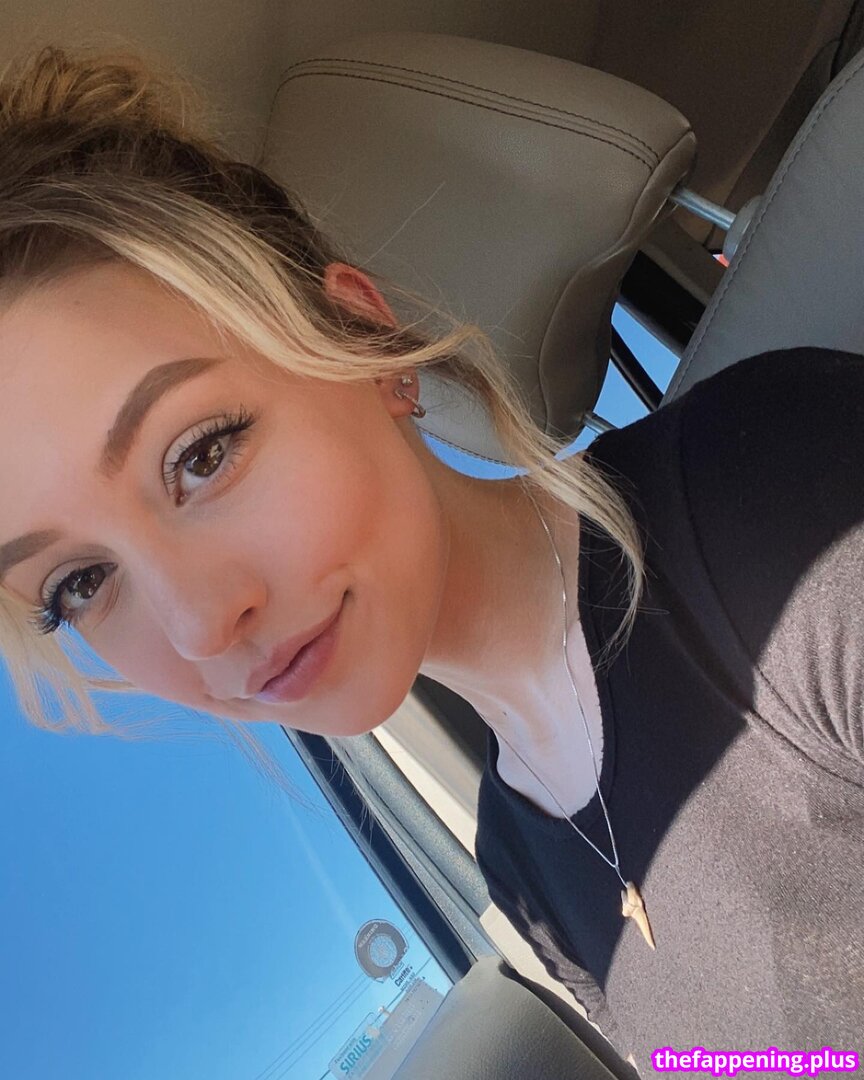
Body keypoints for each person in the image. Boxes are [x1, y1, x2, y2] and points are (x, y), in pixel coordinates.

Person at [0, 45, 861, 1073]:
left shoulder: (778, 506)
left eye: (201, 453)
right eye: (80, 584)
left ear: (365, 342)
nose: (197, 625)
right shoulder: (518, 863)